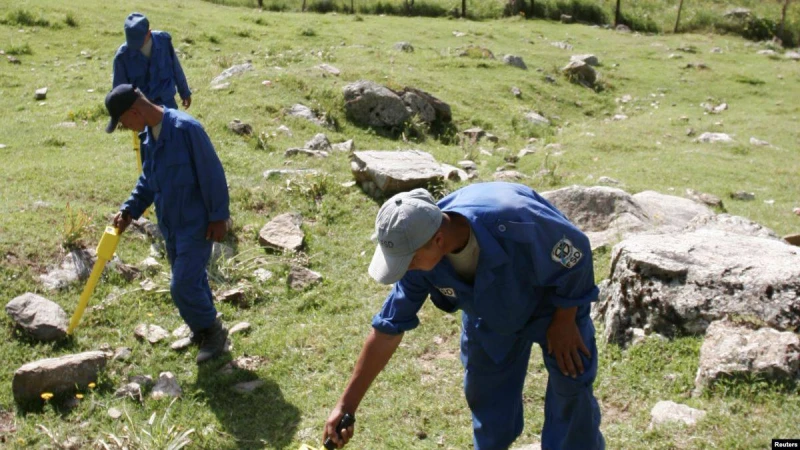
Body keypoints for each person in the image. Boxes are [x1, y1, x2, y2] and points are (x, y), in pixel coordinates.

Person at [324, 182, 604, 450]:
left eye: (409, 261)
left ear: (438, 240)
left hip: (554, 305)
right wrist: (346, 405)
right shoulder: (418, 255)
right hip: (489, 314)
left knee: (571, 392)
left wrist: (565, 319)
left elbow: (576, 255)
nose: (406, 269)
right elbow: (388, 329)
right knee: (488, 398)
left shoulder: (516, 219)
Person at [104, 84, 230, 364]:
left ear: (135, 112)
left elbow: (212, 173)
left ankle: (214, 332)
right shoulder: (148, 138)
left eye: (124, 123)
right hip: (170, 226)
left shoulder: (186, 129)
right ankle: (201, 331)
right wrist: (129, 210)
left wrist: (219, 216)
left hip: (197, 223)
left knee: (181, 284)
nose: (126, 128)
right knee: (193, 279)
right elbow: (148, 181)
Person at [112, 12, 192, 110]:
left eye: (138, 40)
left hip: (167, 102)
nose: (135, 45)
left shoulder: (164, 42)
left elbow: (176, 68)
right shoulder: (122, 56)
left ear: (148, 33)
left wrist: (184, 92)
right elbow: (119, 89)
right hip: (141, 106)